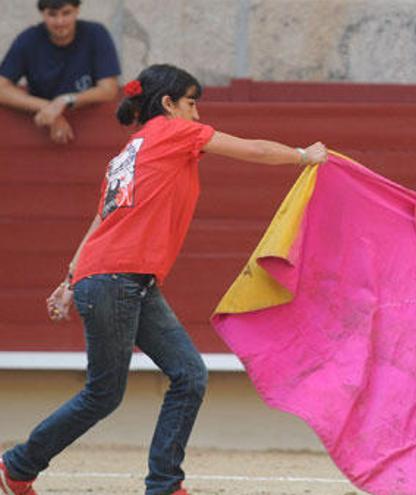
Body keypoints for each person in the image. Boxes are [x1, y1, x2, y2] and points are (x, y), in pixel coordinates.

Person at [0, 64, 328, 495]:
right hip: (118, 280)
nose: (196, 113)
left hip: (122, 279)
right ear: (169, 104)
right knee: (104, 394)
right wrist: (304, 155)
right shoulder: (175, 133)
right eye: (191, 103)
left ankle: (164, 484)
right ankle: (18, 466)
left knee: (189, 374)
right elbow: (253, 150)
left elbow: (103, 219)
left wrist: (70, 278)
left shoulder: (127, 152)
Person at [0, 0, 121, 145]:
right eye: (52, 14)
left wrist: (64, 101)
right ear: (42, 14)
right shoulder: (28, 39)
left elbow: (109, 89)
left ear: (77, 10)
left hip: (91, 128)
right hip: (38, 133)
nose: (60, 21)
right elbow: (1, 88)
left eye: (66, 13)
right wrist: (48, 107)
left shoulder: (96, 34)